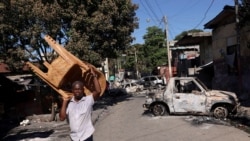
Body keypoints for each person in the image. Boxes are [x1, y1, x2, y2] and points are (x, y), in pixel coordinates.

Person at [59, 67, 101, 141]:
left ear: (83, 90)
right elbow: (62, 118)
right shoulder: (69, 103)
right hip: (74, 137)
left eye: (79, 89)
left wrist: (94, 76)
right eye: (75, 89)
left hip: (86, 136)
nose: (77, 91)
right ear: (72, 90)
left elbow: (97, 91)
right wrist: (64, 102)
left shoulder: (88, 100)